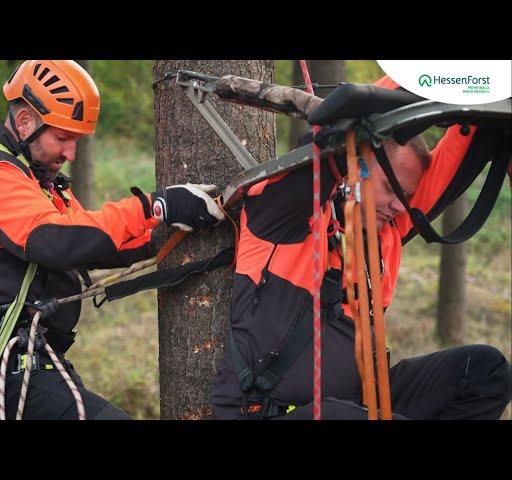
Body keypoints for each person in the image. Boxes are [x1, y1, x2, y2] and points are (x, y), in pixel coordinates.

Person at [0, 60, 225, 420]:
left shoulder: (37, 181)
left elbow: (91, 241)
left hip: (33, 363)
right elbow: (55, 240)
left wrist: (166, 231)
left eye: (76, 141)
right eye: (63, 138)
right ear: (25, 122)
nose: (70, 154)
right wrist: (155, 206)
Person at [210, 75, 511, 420]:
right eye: (390, 188)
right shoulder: (285, 214)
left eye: (408, 196)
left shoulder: (387, 230)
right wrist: (413, 78)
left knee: (487, 370)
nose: (402, 206)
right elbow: (328, 142)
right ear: (355, 165)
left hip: (359, 402)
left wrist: (487, 82)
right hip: (268, 412)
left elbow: (460, 154)